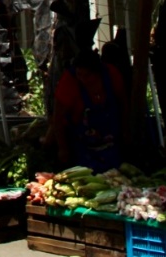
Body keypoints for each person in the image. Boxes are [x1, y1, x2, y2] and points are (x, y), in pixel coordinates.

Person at [44, 33, 126, 173]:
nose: (82, 79)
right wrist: (63, 148)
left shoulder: (112, 75)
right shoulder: (69, 81)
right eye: (79, 74)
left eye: (87, 76)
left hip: (111, 143)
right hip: (81, 145)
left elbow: (124, 105)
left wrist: (127, 133)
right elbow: (57, 119)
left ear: (97, 73)